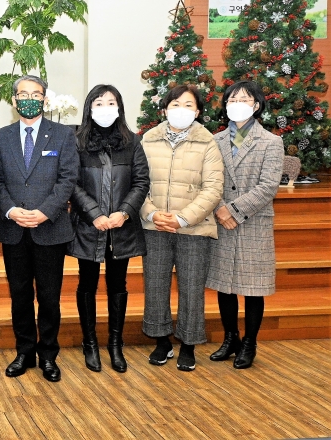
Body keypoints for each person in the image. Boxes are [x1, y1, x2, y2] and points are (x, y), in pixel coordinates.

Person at [0, 75, 80, 383]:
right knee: (19, 295)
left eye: (36, 94)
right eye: (23, 94)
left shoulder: (63, 135)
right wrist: (12, 211)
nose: (30, 98)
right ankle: (24, 352)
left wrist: (44, 212)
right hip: (14, 229)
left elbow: (68, 179)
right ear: (14, 101)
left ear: (45, 99)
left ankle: (49, 356)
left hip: (50, 229)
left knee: (49, 296)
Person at [140, 84, 224, 372]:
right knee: (155, 284)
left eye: (188, 105)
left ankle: (188, 345)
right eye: (175, 104)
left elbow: (213, 188)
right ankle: (161, 340)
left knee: (191, 287)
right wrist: (152, 214)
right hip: (155, 226)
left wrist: (183, 218)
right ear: (164, 109)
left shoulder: (208, 143)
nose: (181, 110)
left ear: (198, 111)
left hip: (194, 228)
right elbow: (137, 183)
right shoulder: (148, 140)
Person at [68, 85, 149, 373]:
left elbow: (141, 182)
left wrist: (124, 213)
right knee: (86, 284)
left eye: (111, 102)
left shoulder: (132, 142)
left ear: (120, 107)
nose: (106, 108)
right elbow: (71, 182)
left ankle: (116, 345)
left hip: (121, 228)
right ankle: (89, 344)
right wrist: (93, 214)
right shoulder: (76, 142)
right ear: (90, 108)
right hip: (88, 227)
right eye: (99, 103)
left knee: (118, 285)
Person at [207, 81, 283, 369]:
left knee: (253, 288)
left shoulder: (271, 142)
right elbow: (208, 182)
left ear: (256, 105)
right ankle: (230, 339)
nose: (237, 103)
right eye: (232, 99)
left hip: (253, 223)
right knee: (224, 285)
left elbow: (268, 187)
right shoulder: (215, 141)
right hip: (220, 220)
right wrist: (218, 209)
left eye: (244, 99)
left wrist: (233, 211)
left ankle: (249, 343)